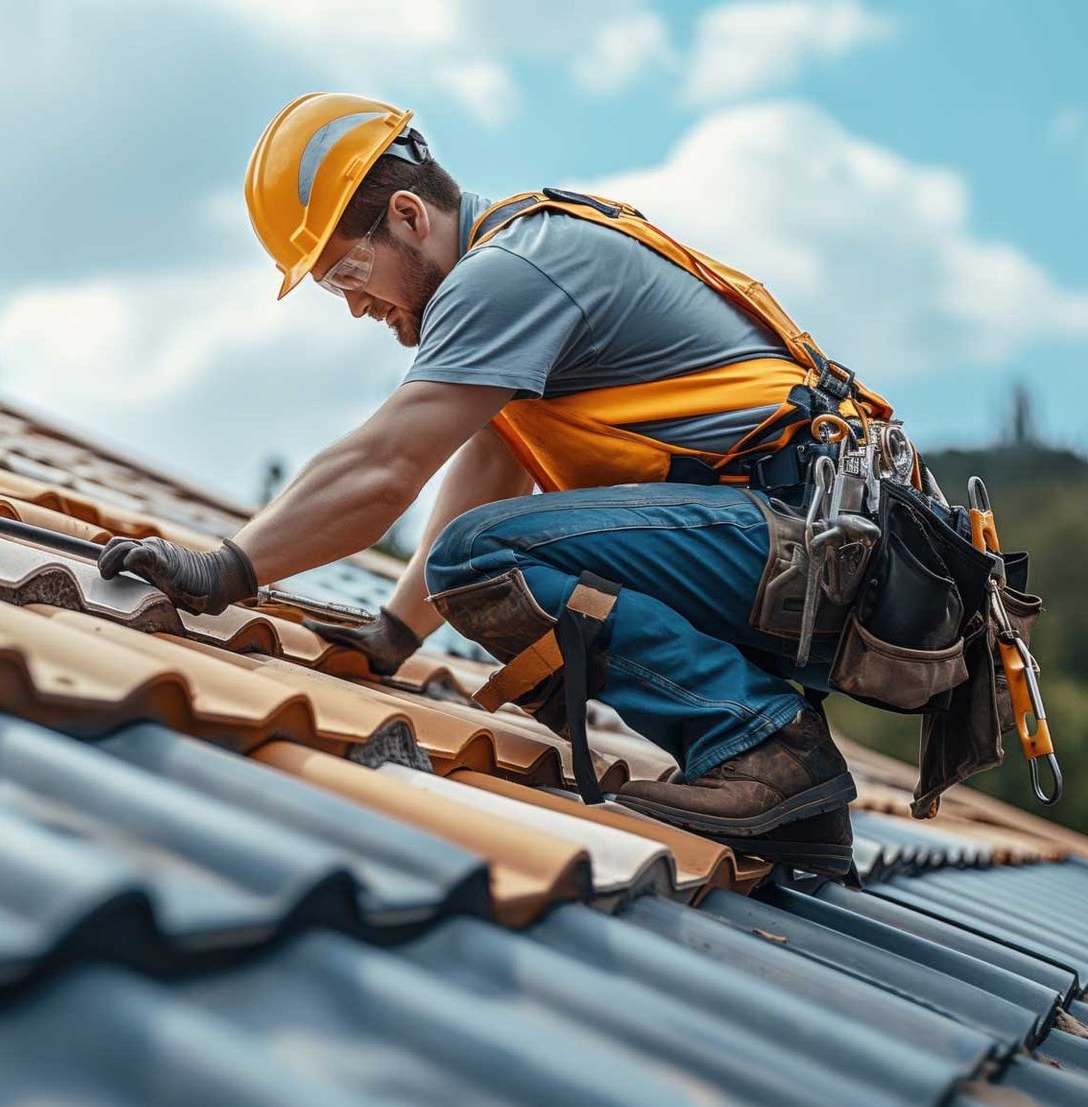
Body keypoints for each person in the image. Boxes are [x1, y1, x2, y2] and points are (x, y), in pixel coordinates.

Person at [101, 93, 899, 877]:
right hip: (810, 546)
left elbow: (383, 471)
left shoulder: (505, 275)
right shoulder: (523, 259)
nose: (353, 306)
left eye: (348, 269)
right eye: (328, 286)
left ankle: (765, 747)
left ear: (410, 217)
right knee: (483, 553)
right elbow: (494, 460)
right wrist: (396, 636)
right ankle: (781, 788)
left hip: (812, 543)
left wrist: (226, 570)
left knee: (479, 562)